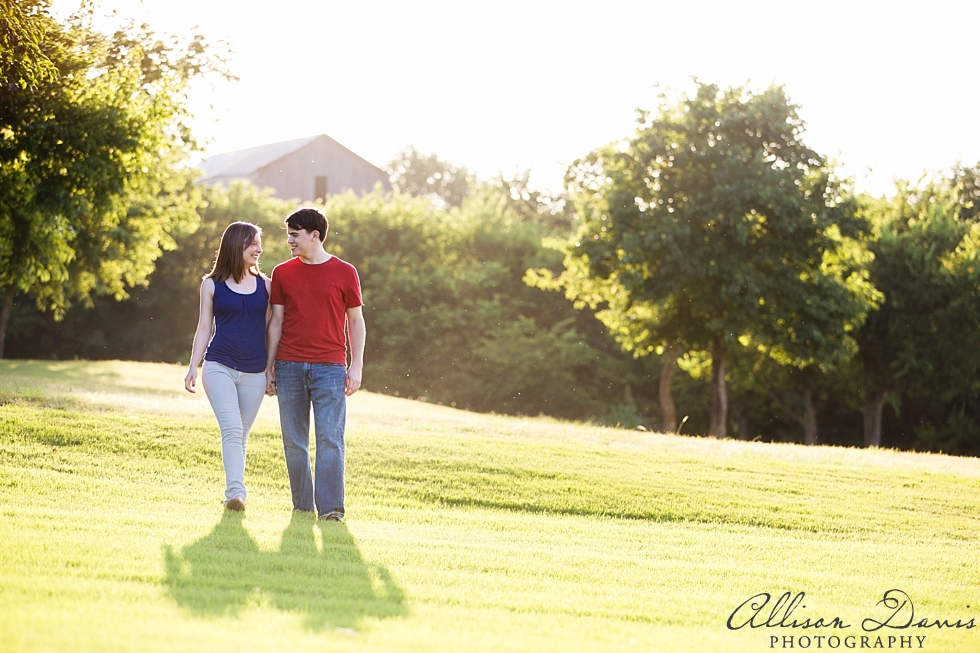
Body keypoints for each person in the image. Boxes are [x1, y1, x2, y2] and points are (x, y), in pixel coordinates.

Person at [265, 207, 365, 522]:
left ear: (314, 235)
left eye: (294, 235)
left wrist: (356, 366)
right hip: (289, 366)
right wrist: (269, 367)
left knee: (330, 439)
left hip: (331, 369)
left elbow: (356, 320)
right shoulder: (282, 273)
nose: (289, 241)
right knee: (294, 440)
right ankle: (303, 505)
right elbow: (276, 322)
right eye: (288, 235)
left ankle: (332, 509)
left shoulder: (345, 271)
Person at [185, 222, 271, 512]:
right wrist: (192, 366)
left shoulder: (267, 286)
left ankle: (235, 491)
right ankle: (236, 494)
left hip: (255, 372)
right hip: (218, 364)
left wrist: (270, 370)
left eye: (259, 243)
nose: (258, 249)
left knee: (240, 435)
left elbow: (273, 329)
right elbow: (203, 328)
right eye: (252, 243)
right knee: (232, 429)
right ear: (236, 245)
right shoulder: (211, 284)